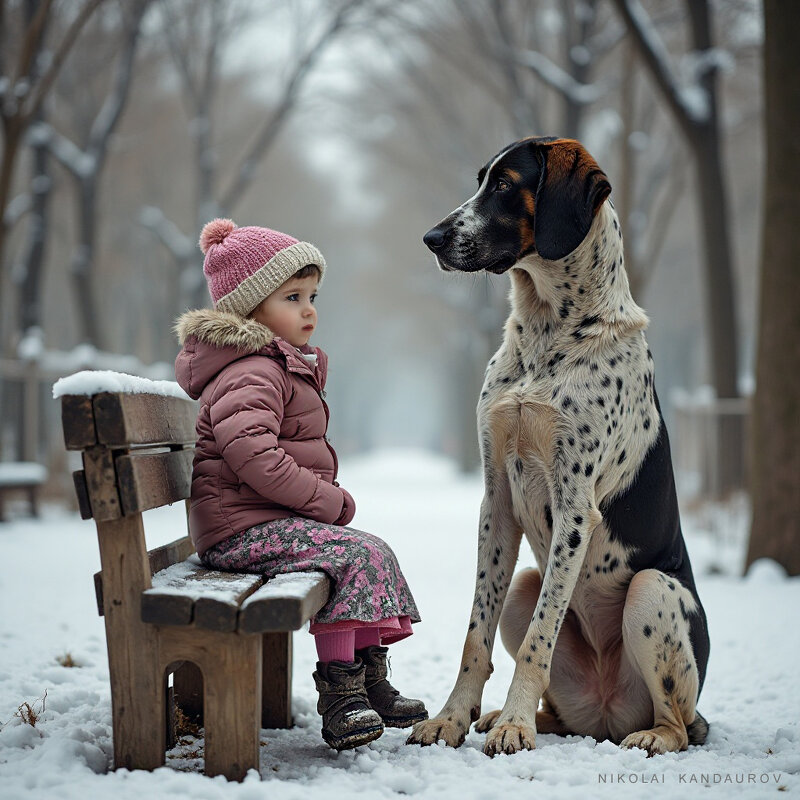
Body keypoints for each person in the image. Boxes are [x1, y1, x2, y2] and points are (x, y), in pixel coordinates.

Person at [174, 218, 427, 751]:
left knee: (365, 551)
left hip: (254, 526)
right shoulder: (251, 371)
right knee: (356, 554)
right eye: (292, 297)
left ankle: (366, 681)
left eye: (312, 295)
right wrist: (327, 502)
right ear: (250, 308)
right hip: (239, 533)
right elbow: (254, 455)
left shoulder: (273, 367)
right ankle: (343, 698)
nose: (309, 309)